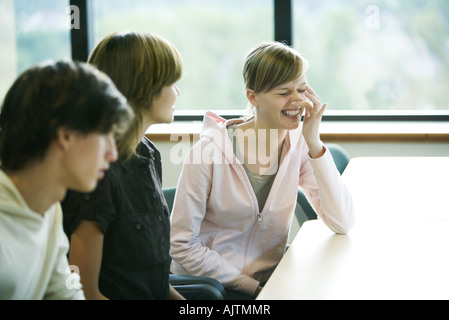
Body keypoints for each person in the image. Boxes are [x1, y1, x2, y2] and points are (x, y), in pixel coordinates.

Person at [169, 41, 356, 299]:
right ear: (252, 97)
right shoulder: (207, 153)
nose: (298, 101)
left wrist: (313, 143)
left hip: (269, 284)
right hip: (213, 289)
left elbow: (342, 221)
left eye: (301, 89)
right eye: (283, 92)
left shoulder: (299, 145)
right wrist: (251, 287)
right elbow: (182, 246)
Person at [61, 31, 184, 300]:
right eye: (172, 82)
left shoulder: (149, 153)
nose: (178, 91)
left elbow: (155, 280)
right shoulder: (98, 174)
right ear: (144, 88)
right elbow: (86, 292)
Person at [0, 60, 132, 299]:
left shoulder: (48, 208)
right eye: (105, 135)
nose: (113, 153)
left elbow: (66, 291)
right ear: (65, 135)